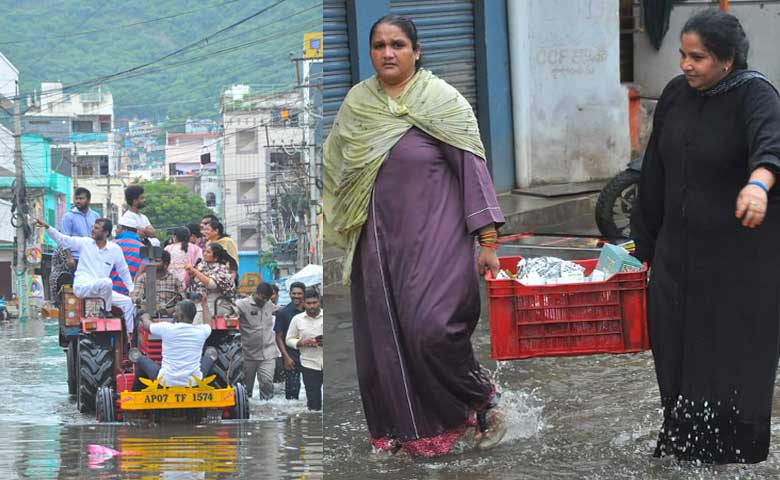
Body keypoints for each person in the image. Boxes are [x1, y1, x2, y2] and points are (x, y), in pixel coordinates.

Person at [323, 15, 506, 455]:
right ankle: (422, 435)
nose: (388, 53)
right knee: (387, 344)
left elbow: (472, 170)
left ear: (417, 51)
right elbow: (339, 170)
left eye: (398, 45)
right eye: (380, 45)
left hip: (438, 239)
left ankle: (481, 398)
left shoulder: (440, 101)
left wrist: (487, 242)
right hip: (380, 246)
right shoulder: (357, 104)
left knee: (433, 331)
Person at [632, 9, 780, 464]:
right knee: (675, 347)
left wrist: (758, 185)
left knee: (724, 352)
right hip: (678, 253)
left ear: (727, 59)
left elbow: (770, 146)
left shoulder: (755, 95)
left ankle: (728, 452)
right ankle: (685, 444)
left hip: (736, 259)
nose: (685, 65)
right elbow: (654, 171)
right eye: (682, 54)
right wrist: (645, 245)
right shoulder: (677, 94)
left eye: (697, 57)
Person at [35, 217, 136, 339]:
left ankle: (130, 338)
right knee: (107, 282)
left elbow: (123, 271)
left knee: (128, 303)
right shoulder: (85, 243)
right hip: (83, 288)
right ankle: (105, 312)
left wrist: (131, 290)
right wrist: (48, 227)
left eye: (97, 228)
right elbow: (63, 239)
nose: (92, 229)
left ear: (106, 233)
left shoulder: (115, 249)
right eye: (93, 226)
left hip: (102, 292)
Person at [128, 299, 217, 391]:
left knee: (141, 359)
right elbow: (208, 323)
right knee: (209, 357)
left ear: (181, 315)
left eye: (176, 312)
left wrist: (145, 317)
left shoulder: (167, 328)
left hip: (166, 382)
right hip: (194, 383)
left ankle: (135, 393)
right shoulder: (201, 331)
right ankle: (210, 391)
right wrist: (204, 303)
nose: (174, 314)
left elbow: (147, 326)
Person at [236, 282, 279, 399]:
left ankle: (267, 409)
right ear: (256, 293)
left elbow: (280, 311)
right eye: (263, 297)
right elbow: (230, 316)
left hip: (268, 353)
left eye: (267, 298)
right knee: (246, 388)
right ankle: (247, 409)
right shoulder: (241, 305)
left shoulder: (269, 304)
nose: (264, 301)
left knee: (267, 382)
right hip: (248, 354)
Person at [286, 288, 322, 412]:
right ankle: (314, 428)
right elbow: (289, 339)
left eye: (314, 303)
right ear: (304, 303)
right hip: (309, 363)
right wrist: (301, 343)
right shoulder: (297, 319)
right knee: (313, 403)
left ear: (319, 302)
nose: (312, 306)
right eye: (309, 303)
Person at [184, 242, 236, 323]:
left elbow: (212, 284)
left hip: (218, 304)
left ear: (215, 258)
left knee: (199, 315)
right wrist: (190, 273)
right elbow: (189, 285)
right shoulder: (201, 266)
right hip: (201, 301)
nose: (204, 254)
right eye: (204, 251)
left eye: (208, 252)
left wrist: (195, 271)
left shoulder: (222, 269)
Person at [274, 281, 305, 400]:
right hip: (292, 357)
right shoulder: (283, 313)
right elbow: (278, 336)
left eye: (299, 293)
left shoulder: (310, 310)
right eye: (294, 293)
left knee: (313, 390)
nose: (296, 296)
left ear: (304, 294)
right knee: (292, 395)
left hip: (310, 356)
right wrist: (286, 357)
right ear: (290, 294)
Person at [132, 250, 183, 317]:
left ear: (166, 264)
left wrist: (170, 310)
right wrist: (140, 301)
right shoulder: (143, 278)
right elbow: (136, 296)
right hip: (148, 312)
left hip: (170, 314)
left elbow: (182, 300)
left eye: (157, 261)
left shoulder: (175, 279)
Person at [60, 187, 99, 268]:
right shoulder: (68, 217)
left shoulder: (95, 216)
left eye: (81, 198)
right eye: (76, 198)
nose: (78, 201)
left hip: (93, 257)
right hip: (76, 258)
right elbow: (64, 239)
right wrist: (69, 258)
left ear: (88, 200)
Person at [109, 217, 146, 296]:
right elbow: (141, 273)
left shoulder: (111, 245)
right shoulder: (144, 249)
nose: (116, 230)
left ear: (124, 229)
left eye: (118, 227)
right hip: (130, 296)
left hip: (108, 294)